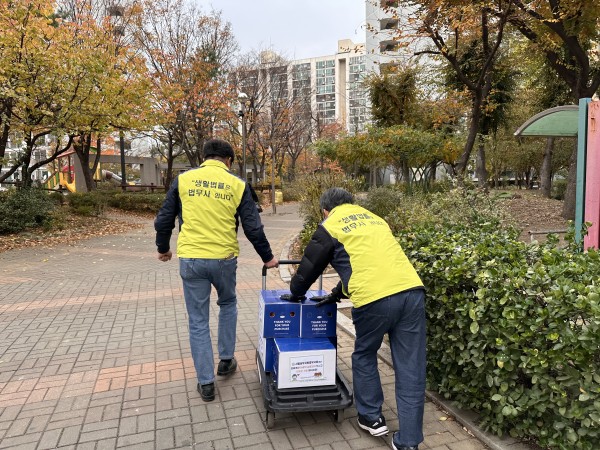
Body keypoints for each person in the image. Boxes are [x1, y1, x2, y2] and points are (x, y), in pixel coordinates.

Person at [287, 187, 426, 450]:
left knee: (364, 353)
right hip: (412, 292)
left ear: (325, 210)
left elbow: (310, 264)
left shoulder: (331, 223)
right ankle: (408, 442)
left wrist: (295, 294)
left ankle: (371, 418)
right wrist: (336, 294)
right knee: (411, 368)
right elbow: (368, 263)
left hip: (375, 300)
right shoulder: (375, 219)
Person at [154, 138, 279, 402]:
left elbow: (164, 218)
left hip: (191, 259)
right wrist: (267, 258)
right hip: (224, 258)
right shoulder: (237, 184)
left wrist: (163, 248)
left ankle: (206, 382)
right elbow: (253, 227)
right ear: (229, 160)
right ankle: (226, 360)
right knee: (228, 303)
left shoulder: (184, 180)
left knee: (198, 320)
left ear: (204, 157)